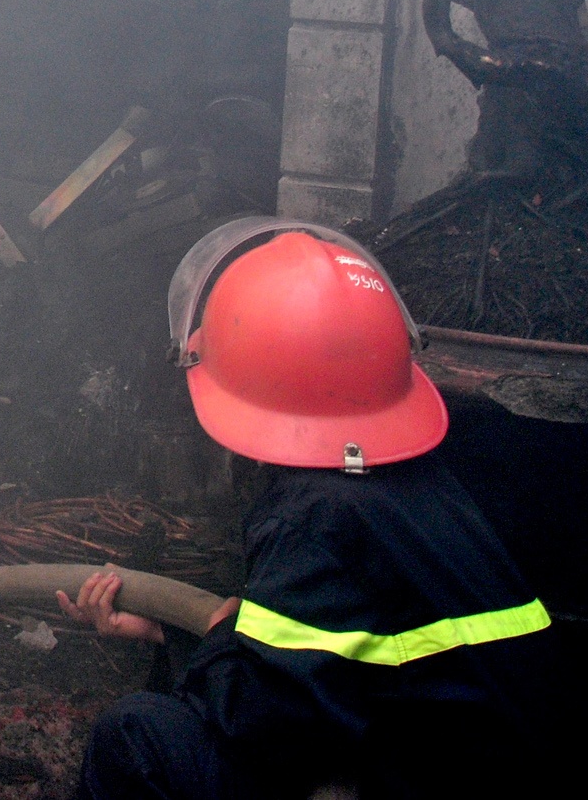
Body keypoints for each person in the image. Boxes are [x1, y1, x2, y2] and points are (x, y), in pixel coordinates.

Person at [59, 218, 555, 799]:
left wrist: (217, 637)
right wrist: (174, 634)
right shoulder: (417, 486)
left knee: (135, 736)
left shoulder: (313, 519)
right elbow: (345, 670)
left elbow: (260, 726)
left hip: (425, 776)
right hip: (472, 763)